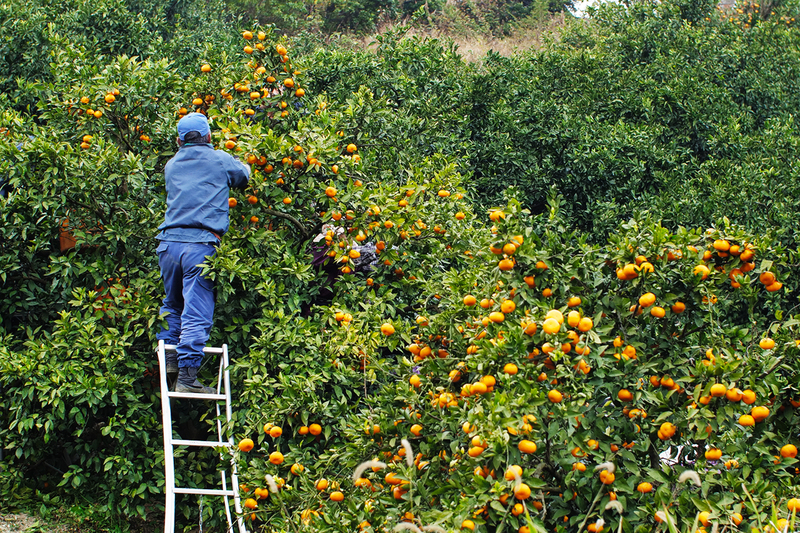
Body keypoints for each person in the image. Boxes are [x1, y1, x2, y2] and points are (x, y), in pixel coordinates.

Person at [156, 113, 250, 393]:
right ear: (208, 137)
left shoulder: (171, 165)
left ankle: (171, 359)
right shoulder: (218, 159)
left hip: (168, 244)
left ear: (178, 140)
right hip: (199, 245)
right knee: (197, 310)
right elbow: (243, 175)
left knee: (172, 304)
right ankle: (187, 378)